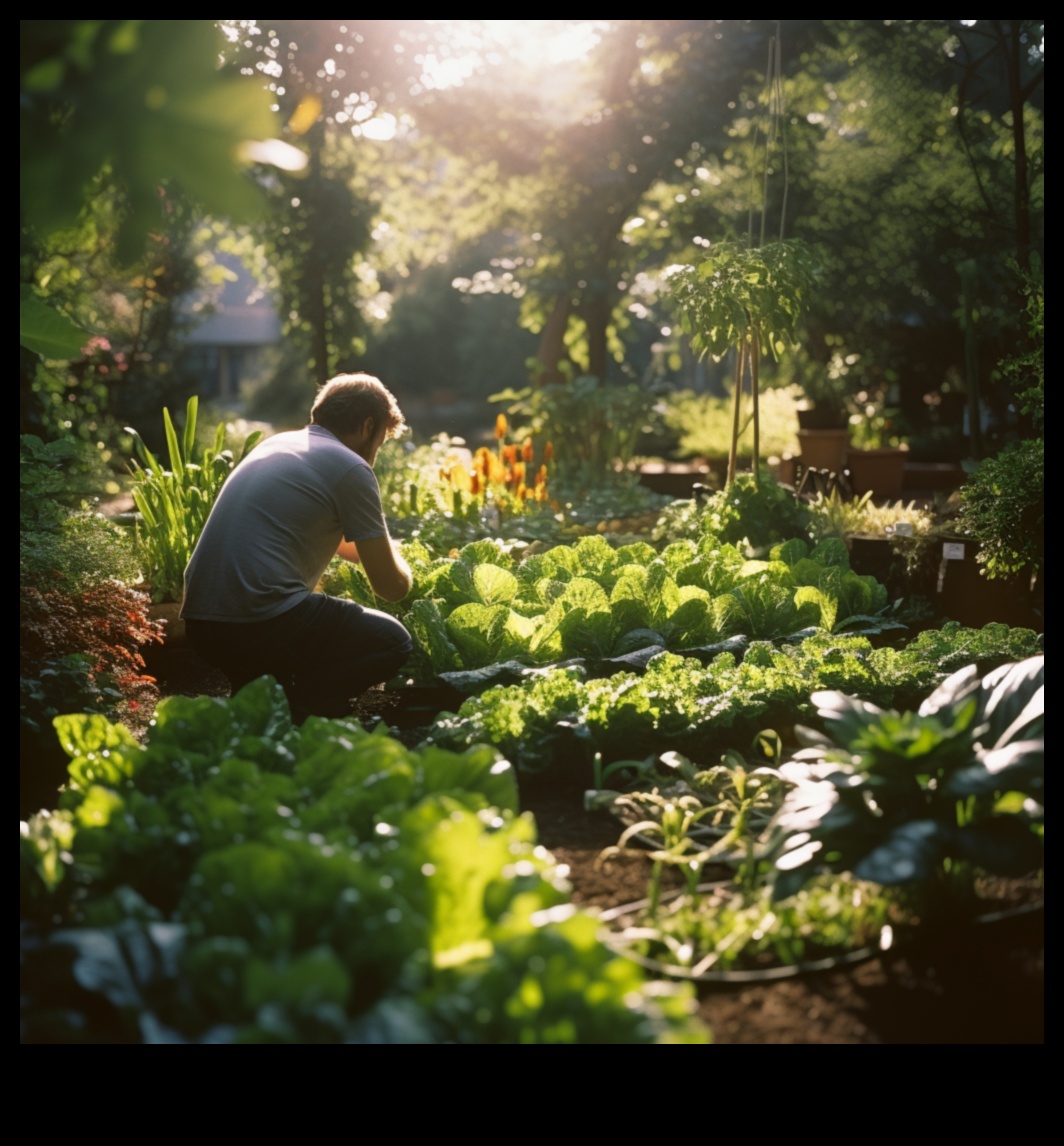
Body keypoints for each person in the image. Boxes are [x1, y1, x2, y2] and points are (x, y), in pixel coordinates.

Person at [181, 373, 413, 723]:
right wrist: (408, 567)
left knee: (263, 693)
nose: (376, 454)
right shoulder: (350, 466)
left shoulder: (279, 445)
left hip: (203, 624)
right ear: (368, 426)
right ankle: (303, 706)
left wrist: (379, 547)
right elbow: (391, 588)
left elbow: (339, 543)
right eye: (381, 440)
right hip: (262, 623)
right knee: (393, 641)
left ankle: (260, 704)